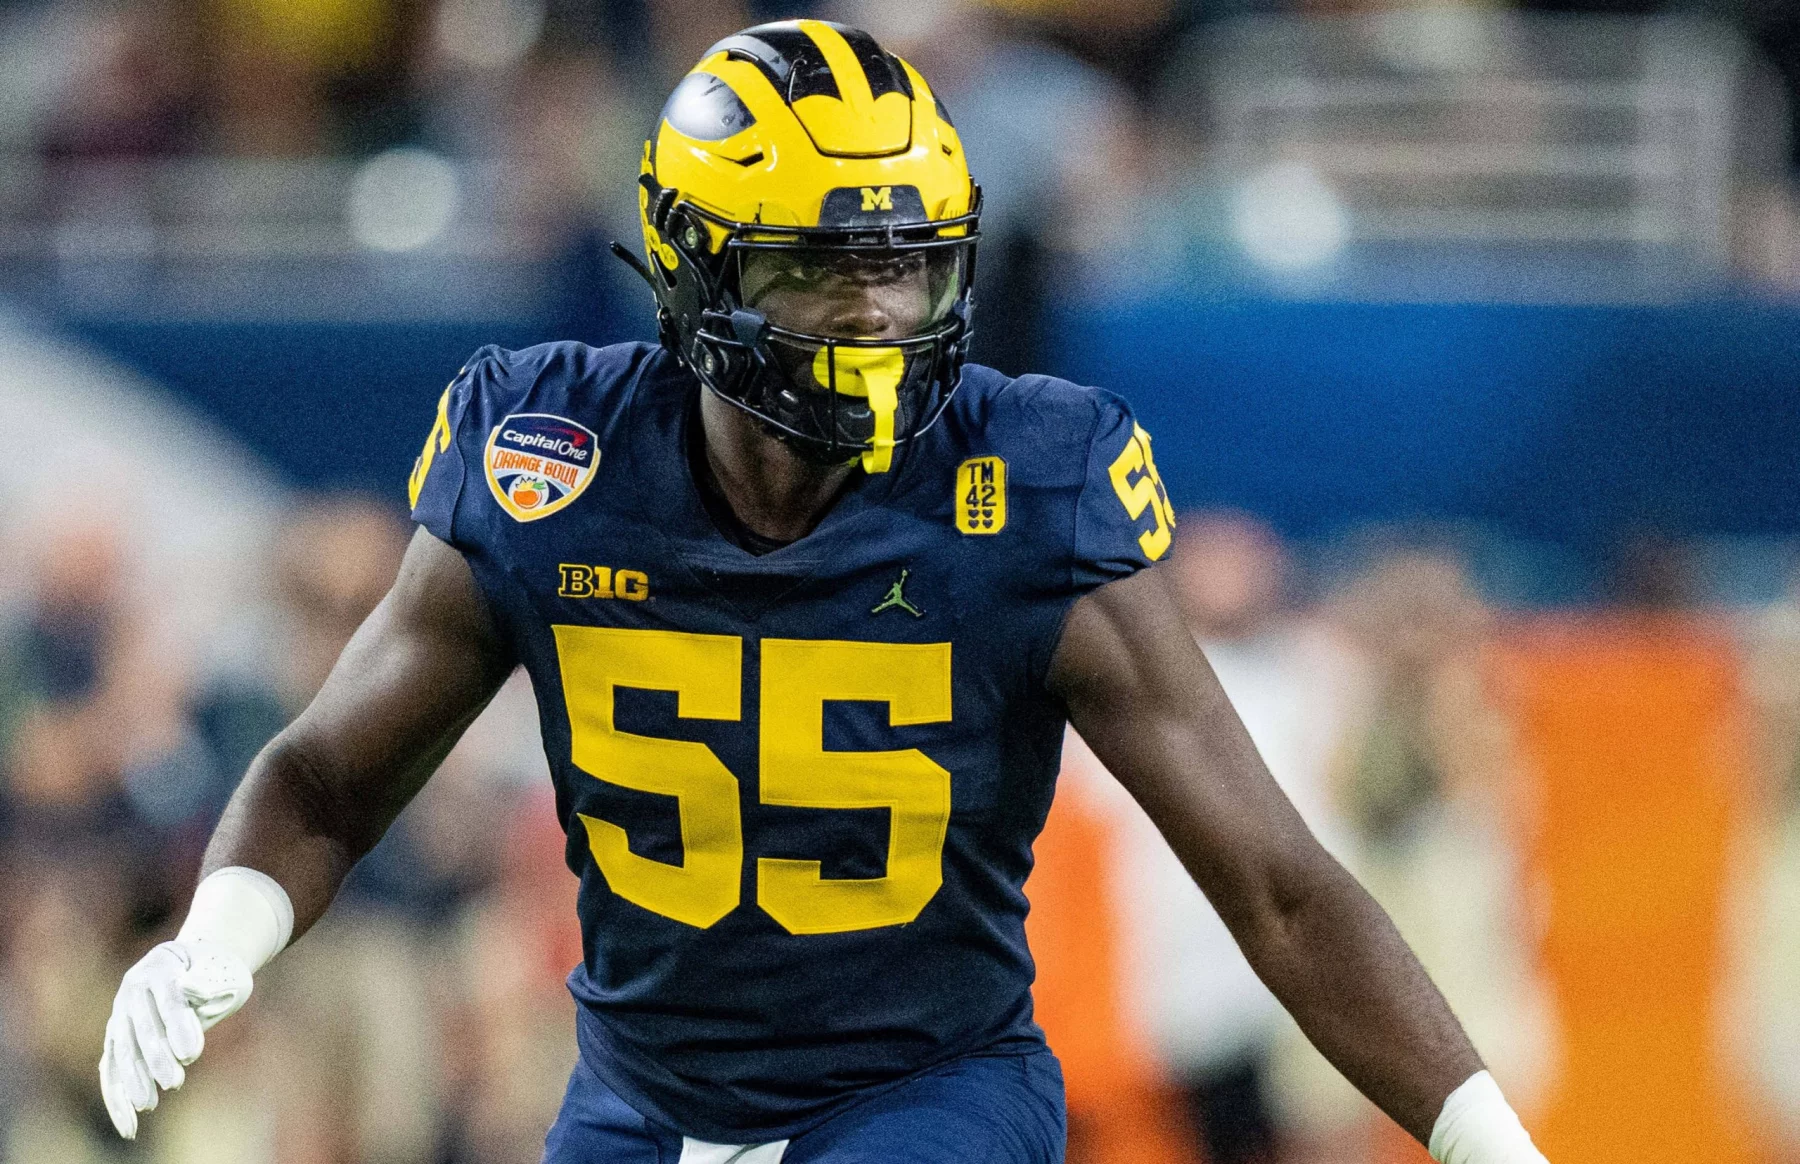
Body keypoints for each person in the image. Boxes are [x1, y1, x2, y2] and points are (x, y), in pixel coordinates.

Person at [97, 20, 1550, 1164]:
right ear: (688, 265)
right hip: (636, 1099)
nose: (874, 316)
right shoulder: (550, 462)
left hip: (929, 1096)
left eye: (906, 271)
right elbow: (332, 780)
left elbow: (1278, 888)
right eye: (817, 273)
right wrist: (218, 930)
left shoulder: (1021, 491)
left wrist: (1489, 1140)